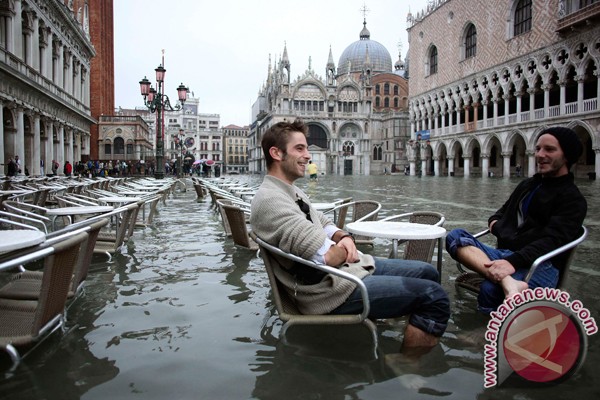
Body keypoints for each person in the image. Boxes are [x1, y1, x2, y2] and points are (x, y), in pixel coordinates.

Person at [250, 119, 450, 349]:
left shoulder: (289, 190)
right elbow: (329, 258)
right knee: (434, 296)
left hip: (344, 273)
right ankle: (407, 365)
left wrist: (343, 237)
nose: (309, 156)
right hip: (328, 292)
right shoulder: (271, 201)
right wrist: (345, 249)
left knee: (427, 272)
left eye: (307, 148)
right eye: (300, 148)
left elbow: (322, 221)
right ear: (276, 153)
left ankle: (409, 320)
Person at [446, 126, 587, 313]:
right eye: (537, 149)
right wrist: (504, 237)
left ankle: (488, 332)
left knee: (489, 288)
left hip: (540, 266)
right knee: (455, 236)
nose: (539, 154)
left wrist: (511, 259)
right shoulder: (527, 185)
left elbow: (551, 242)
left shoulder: (573, 199)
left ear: (567, 155)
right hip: (506, 255)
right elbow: (498, 215)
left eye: (549, 149)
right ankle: (507, 282)